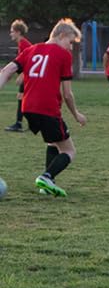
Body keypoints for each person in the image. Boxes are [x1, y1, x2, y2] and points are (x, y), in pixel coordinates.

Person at [0, 19, 88, 195]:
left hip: (27, 108)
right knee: (69, 150)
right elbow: (68, 94)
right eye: (70, 42)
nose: (70, 47)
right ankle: (47, 177)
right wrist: (76, 114)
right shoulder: (63, 55)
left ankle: (48, 184)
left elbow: (6, 71)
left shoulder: (30, 50)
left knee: (52, 141)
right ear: (61, 35)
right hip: (47, 108)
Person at [6, 19, 31, 131]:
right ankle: (28, 124)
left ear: (18, 32)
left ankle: (19, 124)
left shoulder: (24, 44)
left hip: (30, 76)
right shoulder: (22, 43)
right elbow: (20, 62)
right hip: (28, 75)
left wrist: (23, 75)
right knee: (23, 98)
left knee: (23, 98)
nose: (10, 33)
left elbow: (30, 62)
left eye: (12, 31)